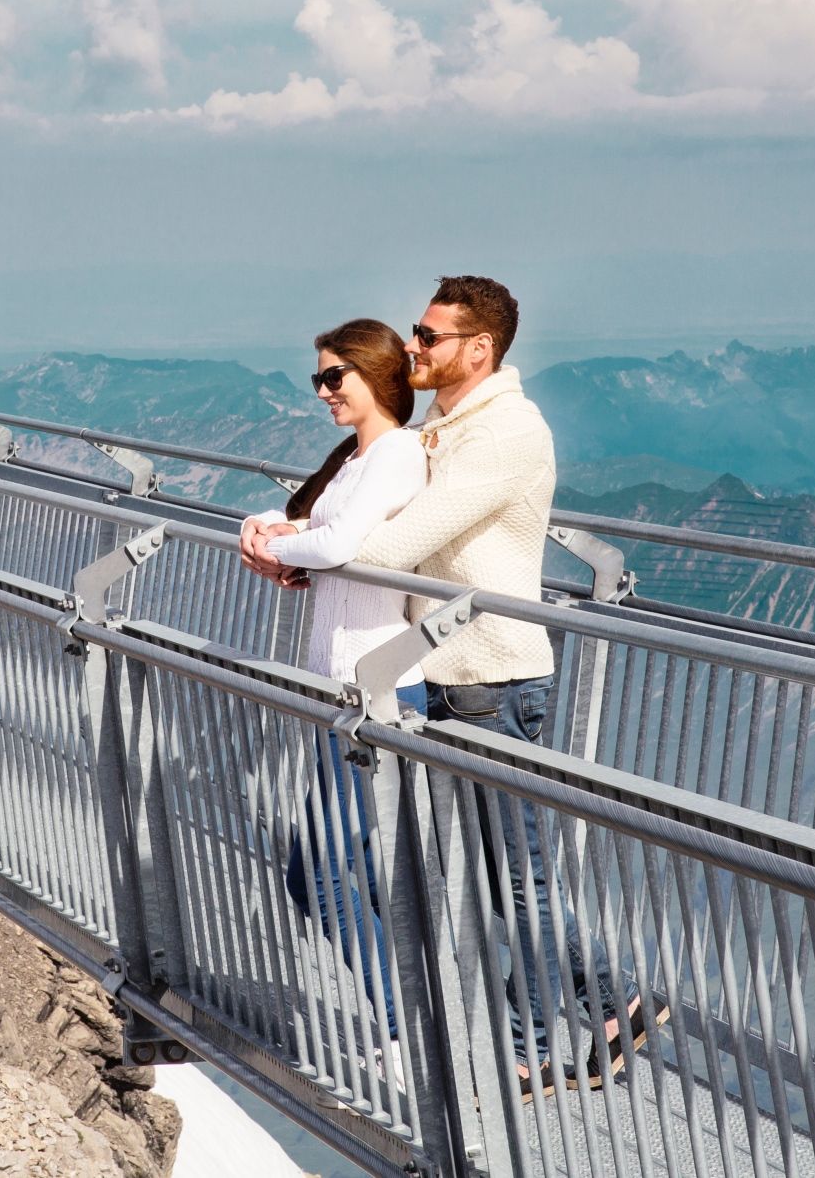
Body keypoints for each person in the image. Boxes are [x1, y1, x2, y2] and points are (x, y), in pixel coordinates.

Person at [248, 276, 659, 1102]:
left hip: (490, 674)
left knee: (519, 878)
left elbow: (399, 544)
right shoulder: (450, 425)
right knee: (509, 874)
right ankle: (614, 1003)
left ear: (480, 349)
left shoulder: (504, 433)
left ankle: (532, 1048)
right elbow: (376, 527)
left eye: (430, 337)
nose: (413, 348)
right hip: (452, 672)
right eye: (414, 331)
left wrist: (305, 547)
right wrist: (306, 540)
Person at [237, 319, 426, 1025]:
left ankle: (409, 1025)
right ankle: (419, 1019)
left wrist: (295, 546)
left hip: (377, 686)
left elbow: (340, 539)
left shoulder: (399, 455)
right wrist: (263, 537)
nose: (322, 391)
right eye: (318, 378)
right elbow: (296, 518)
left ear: (375, 373)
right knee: (349, 875)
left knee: (315, 874)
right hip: (344, 686)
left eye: (333, 376)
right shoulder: (354, 458)